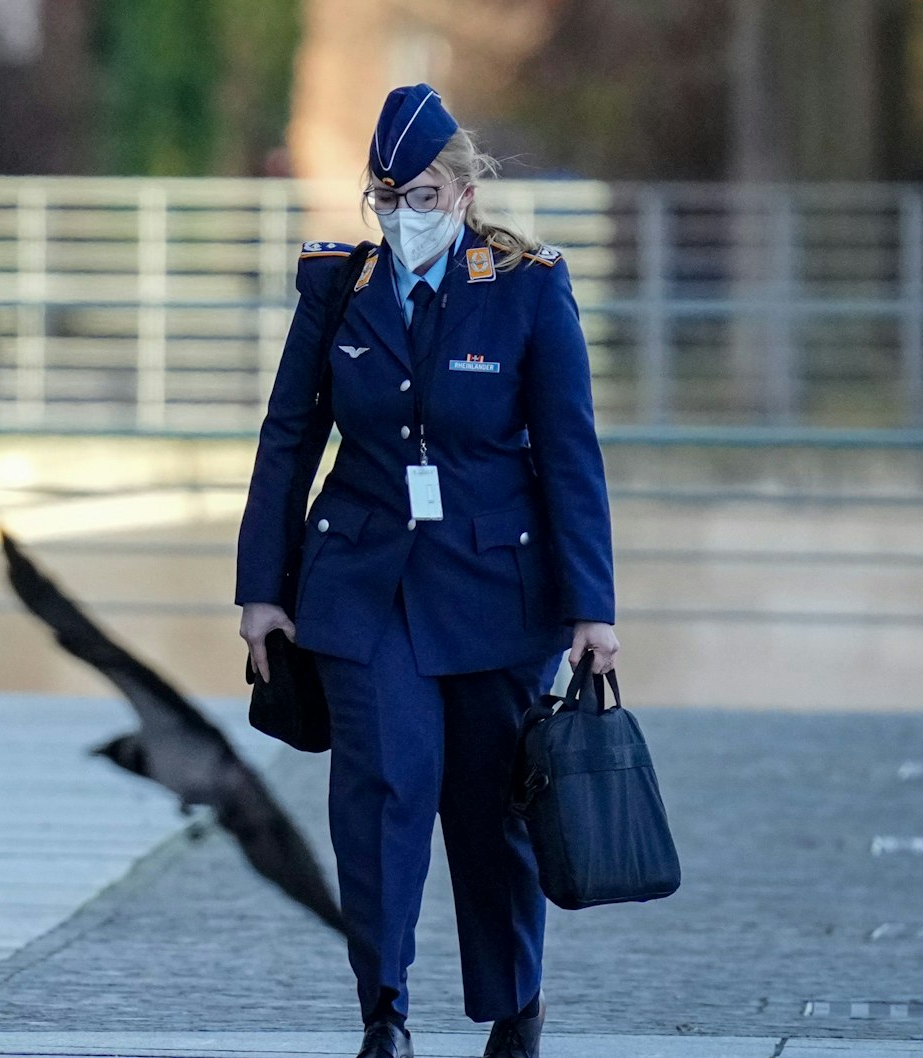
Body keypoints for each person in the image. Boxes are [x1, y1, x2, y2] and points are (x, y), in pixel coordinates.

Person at [235, 84, 618, 1058]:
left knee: (490, 812)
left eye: (423, 194)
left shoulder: (527, 287)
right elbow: (288, 439)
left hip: (497, 591)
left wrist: (591, 610)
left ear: (462, 187)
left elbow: (568, 453)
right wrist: (260, 593)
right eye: (387, 195)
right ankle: (385, 1009)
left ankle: (512, 1003)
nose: (405, 213)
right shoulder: (337, 289)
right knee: (381, 789)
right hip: (363, 587)